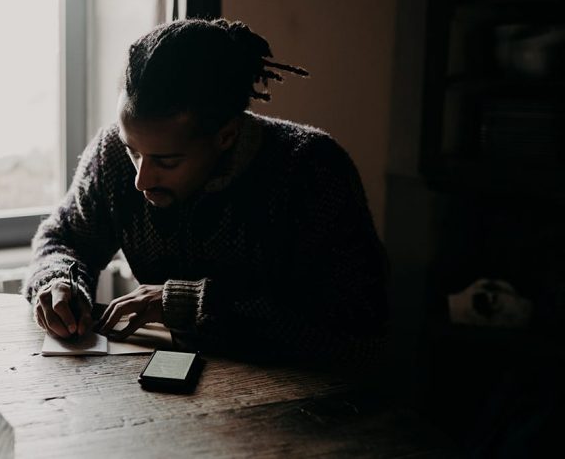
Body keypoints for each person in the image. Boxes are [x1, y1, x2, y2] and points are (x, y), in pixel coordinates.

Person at [24, 18, 388, 368]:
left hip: (297, 406)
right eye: (133, 151)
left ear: (226, 136)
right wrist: (59, 283)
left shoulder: (312, 170)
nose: (141, 179)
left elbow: (359, 334)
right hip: (168, 385)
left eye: (167, 162)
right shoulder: (111, 157)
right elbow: (63, 238)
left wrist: (192, 303)